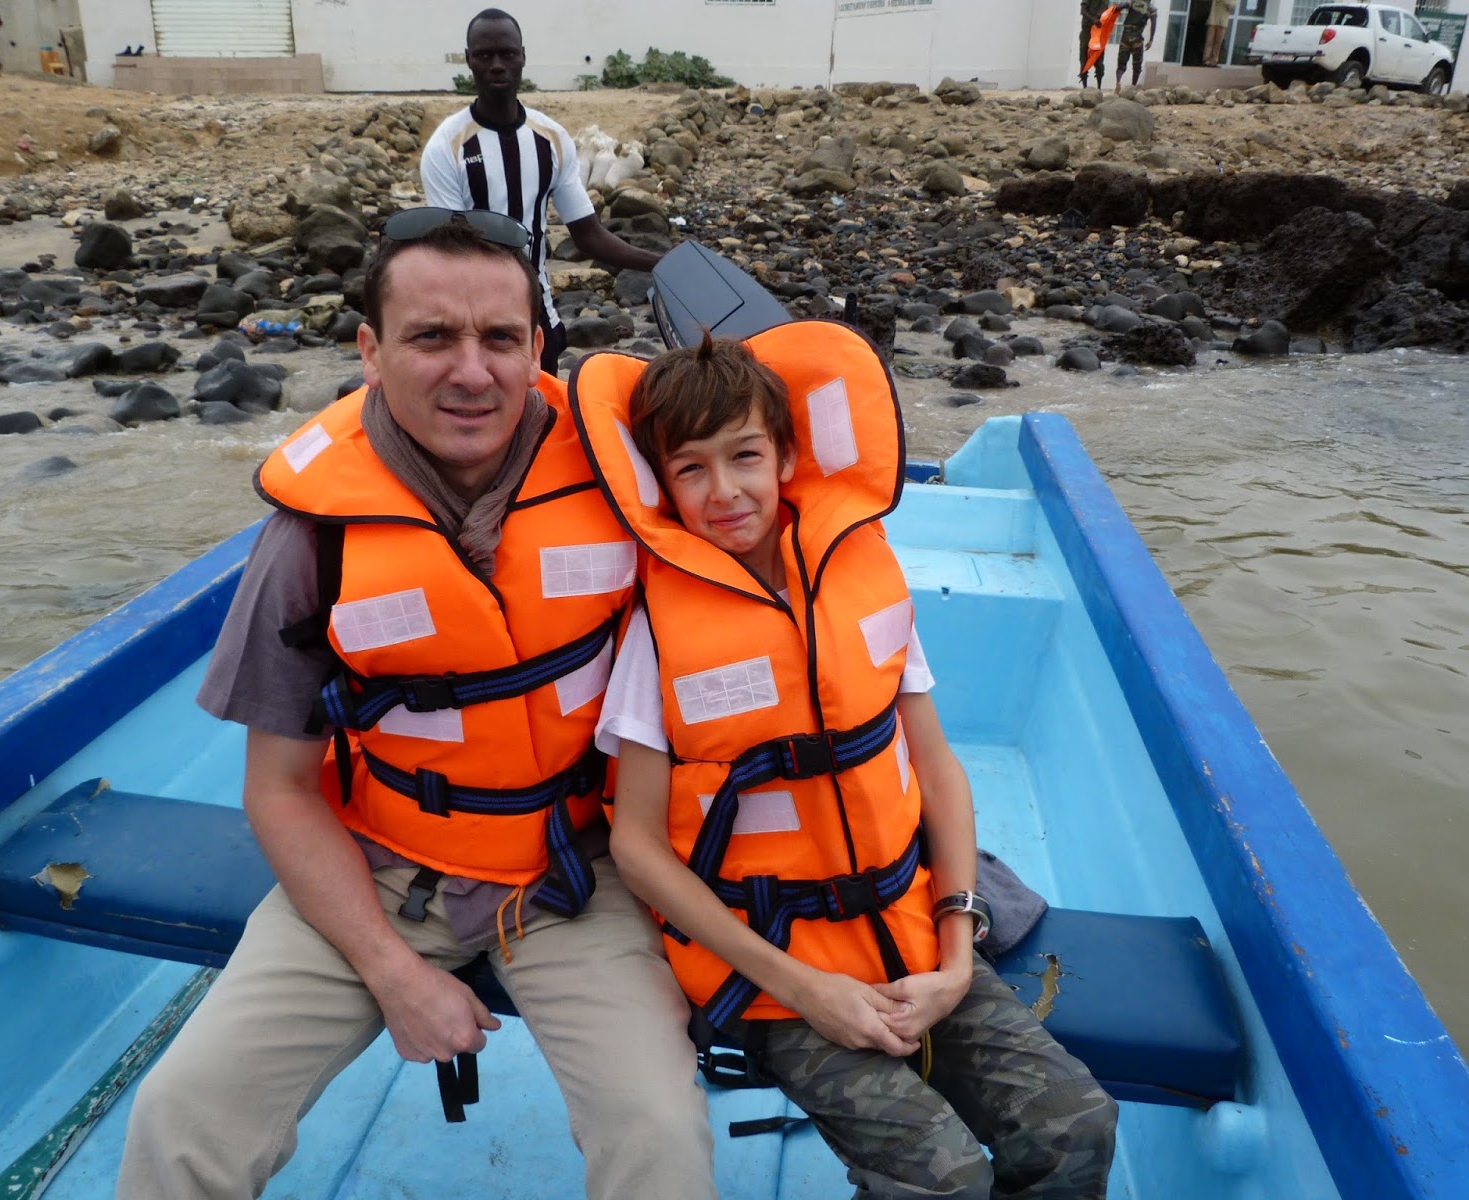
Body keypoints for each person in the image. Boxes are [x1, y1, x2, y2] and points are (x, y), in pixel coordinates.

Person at [115, 209, 715, 1200]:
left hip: (579, 869)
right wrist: (394, 975)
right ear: (371, 350)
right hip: (381, 867)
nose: (471, 373)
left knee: (658, 1132)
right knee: (182, 1118)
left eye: (500, 338)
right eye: (432, 337)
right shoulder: (311, 535)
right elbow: (279, 789)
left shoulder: (623, 473)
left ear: (539, 346)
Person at [570, 328, 1119, 1199]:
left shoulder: (862, 576)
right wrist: (807, 990)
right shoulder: (656, 634)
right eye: (691, 470)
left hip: (914, 932)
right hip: (775, 973)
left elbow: (936, 769)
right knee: (941, 1177)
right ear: (662, 487)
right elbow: (636, 846)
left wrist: (955, 958)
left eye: (745, 456)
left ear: (787, 457)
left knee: (1075, 1124)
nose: (725, 491)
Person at [421, 9, 664, 376]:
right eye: (485, 55)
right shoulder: (446, 146)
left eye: (507, 54)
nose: (497, 65)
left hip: (539, 321)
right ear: (469, 60)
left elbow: (588, 234)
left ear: (522, 57)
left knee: (547, 411)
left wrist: (661, 264)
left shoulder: (551, 138)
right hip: (477, 328)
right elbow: (452, 251)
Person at [1114, 0, 1157, 92]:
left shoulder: (1132, 2)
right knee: (1137, 66)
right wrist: (1151, 40)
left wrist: (1117, 11)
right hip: (1137, 38)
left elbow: (1118, 7)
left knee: (1121, 64)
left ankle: (1118, 81)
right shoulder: (1151, 8)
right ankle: (1133, 87)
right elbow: (1153, 24)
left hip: (1126, 36)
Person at [1078, 0, 1107, 88]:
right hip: (1087, 30)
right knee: (1084, 58)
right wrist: (1093, 20)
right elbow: (1083, 10)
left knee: (1099, 60)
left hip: (1099, 32)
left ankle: (1099, 87)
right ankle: (1085, 87)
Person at [1204, 0, 1234, 66]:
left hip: (1222, 22)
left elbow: (1231, 6)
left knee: (1218, 43)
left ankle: (1214, 61)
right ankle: (1206, 60)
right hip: (1212, 21)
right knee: (1209, 41)